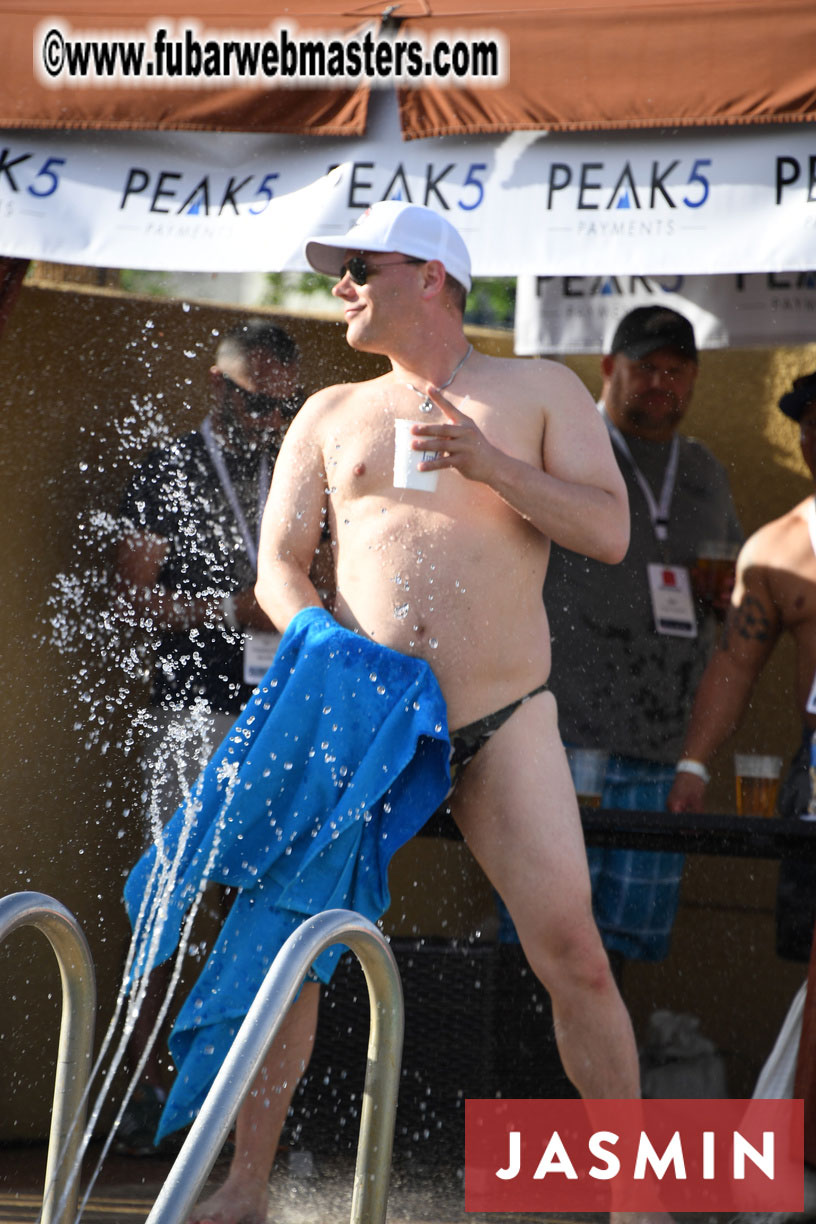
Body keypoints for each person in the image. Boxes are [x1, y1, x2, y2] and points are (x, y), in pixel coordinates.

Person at [184, 200, 662, 1224]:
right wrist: (325, 646)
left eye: (359, 266)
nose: (340, 285)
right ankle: (244, 1186)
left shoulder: (539, 389)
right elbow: (276, 566)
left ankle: (634, 1200)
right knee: (290, 949)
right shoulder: (330, 412)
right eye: (337, 270)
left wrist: (494, 467)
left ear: (431, 274)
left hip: (500, 719)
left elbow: (611, 531)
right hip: (355, 714)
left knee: (573, 952)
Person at [113, 318, 304, 1154]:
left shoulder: (292, 465)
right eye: (253, 401)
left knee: (255, 903)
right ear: (218, 388)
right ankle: (134, 1087)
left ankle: (233, 1104)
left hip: (276, 709)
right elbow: (130, 604)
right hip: (194, 708)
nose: (267, 419)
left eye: (279, 405)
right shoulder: (168, 468)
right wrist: (230, 611)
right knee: (172, 894)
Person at [539, 305, 742, 972]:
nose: (662, 383)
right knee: (547, 934)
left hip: (662, 747)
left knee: (627, 946)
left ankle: (600, 1082)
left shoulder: (707, 471)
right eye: (646, 368)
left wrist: (726, 591)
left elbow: (731, 585)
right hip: (567, 734)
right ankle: (523, 1078)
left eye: (677, 372)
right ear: (608, 368)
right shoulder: (567, 448)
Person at [667, 370, 816, 964]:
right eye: (810, 425)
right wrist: (693, 765)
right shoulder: (778, 550)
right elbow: (734, 664)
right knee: (810, 955)